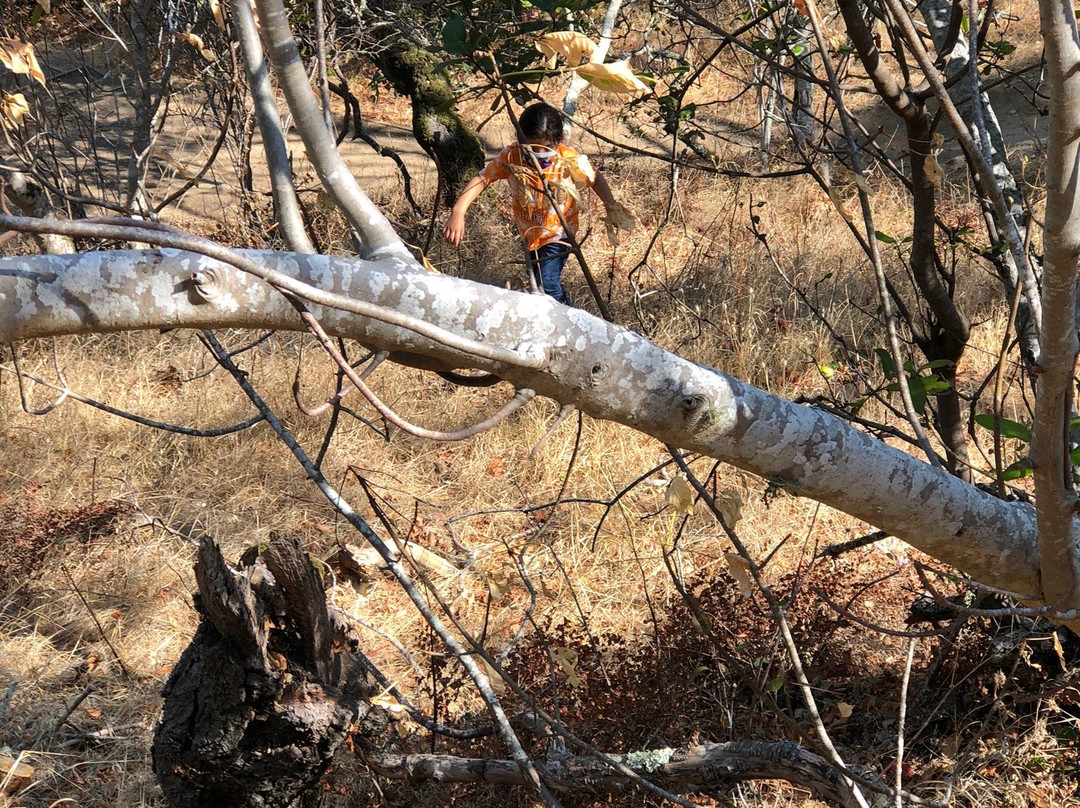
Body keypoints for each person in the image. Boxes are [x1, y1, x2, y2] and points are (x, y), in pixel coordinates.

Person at [443, 102, 629, 305]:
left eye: (545, 150)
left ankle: (567, 320)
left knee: (546, 285)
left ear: (558, 141)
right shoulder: (512, 157)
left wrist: (611, 207)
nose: (538, 156)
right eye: (532, 149)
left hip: (558, 235)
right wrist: (458, 211)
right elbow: (483, 178)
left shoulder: (567, 159)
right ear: (520, 139)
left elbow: (595, 178)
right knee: (537, 283)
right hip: (530, 233)